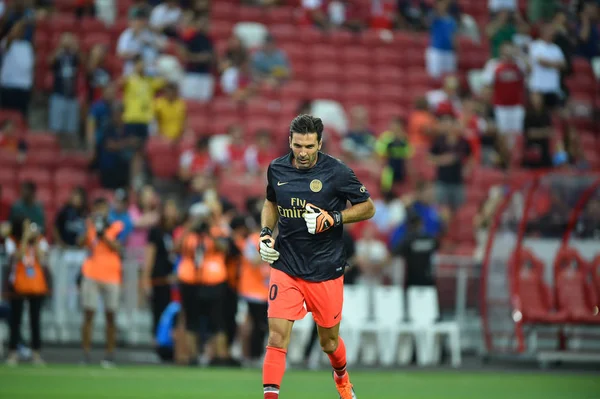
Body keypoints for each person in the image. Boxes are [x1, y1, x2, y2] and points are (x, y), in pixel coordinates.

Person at [258, 114, 376, 399]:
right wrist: (264, 232)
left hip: (325, 268)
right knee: (276, 337)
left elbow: (368, 207)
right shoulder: (276, 169)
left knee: (329, 343)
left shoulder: (336, 172)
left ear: (320, 144)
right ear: (290, 141)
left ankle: (342, 379)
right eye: (298, 145)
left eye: (310, 147)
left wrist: (333, 218)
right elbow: (271, 202)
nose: (303, 153)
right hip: (286, 264)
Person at [79, 197, 125, 367]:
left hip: (112, 274)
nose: (100, 211)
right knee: (88, 313)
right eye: (98, 208)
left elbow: (119, 248)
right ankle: (85, 353)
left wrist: (103, 234)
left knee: (111, 315)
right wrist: (90, 231)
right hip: (91, 272)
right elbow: (80, 243)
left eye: (103, 208)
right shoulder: (89, 225)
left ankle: (110, 354)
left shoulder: (116, 225)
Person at [4, 217, 49, 366]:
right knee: (15, 320)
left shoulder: (39, 239)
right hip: (18, 284)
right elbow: (17, 257)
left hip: (36, 285)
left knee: (35, 320)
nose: (29, 228)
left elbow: (43, 258)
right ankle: (12, 353)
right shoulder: (12, 240)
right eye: (26, 226)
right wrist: (24, 239)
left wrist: (34, 241)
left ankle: (36, 353)